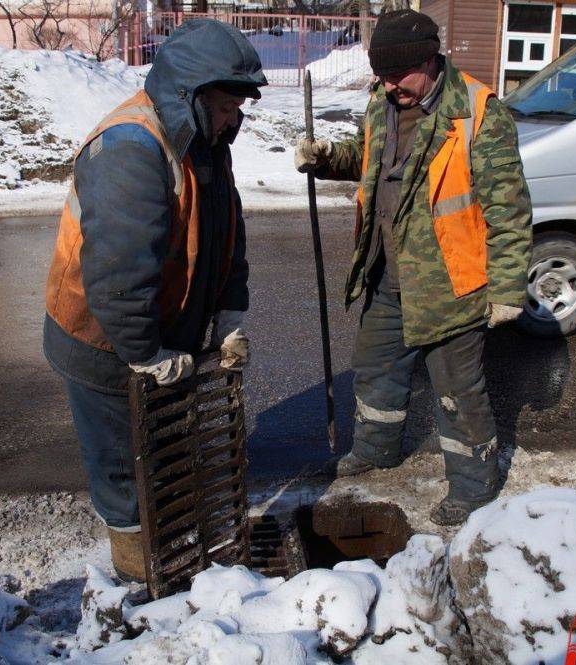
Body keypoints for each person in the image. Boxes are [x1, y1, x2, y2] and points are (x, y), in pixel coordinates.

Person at [42, 19, 266, 581]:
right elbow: (118, 281)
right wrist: (147, 354)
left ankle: (173, 544)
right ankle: (138, 572)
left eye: (238, 107)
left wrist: (230, 311)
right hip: (104, 342)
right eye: (225, 106)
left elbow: (225, 232)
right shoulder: (130, 150)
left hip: (160, 331)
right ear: (189, 97)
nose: (234, 119)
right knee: (124, 470)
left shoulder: (205, 141)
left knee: (166, 452)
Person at [295, 9, 532, 526]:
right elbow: (369, 159)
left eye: (398, 74)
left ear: (429, 59)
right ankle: (377, 449)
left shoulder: (478, 113)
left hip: (452, 283)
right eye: (381, 74)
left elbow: (508, 210)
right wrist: (326, 157)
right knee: (375, 371)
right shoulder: (383, 102)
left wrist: (509, 287)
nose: (388, 84)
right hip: (386, 273)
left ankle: (474, 485)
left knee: (457, 392)